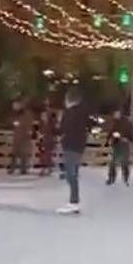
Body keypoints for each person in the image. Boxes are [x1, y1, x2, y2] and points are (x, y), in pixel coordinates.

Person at [57, 87, 91, 215]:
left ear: (69, 100)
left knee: (71, 174)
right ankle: (74, 201)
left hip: (70, 145)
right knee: (72, 173)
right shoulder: (83, 113)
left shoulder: (70, 113)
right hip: (78, 146)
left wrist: (60, 124)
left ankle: (74, 202)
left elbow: (64, 129)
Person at [105, 109, 133, 186]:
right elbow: (112, 131)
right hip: (116, 144)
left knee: (124, 162)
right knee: (113, 163)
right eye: (114, 114)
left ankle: (125, 178)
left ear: (120, 114)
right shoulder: (115, 122)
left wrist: (125, 138)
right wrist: (108, 139)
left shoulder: (127, 123)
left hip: (124, 145)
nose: (115, 115)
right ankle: (111, 178)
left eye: (116, 114)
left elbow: (131, 135)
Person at [8, 101, 34, 176]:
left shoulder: (26, 113)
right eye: (13, 106)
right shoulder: (14, 114)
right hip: (17, 136)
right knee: (14, 153)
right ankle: (12, 168)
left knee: (23, 153)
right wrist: (14, 122)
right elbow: (10, 121)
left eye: (15, 106)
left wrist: (28, 131)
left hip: (24, 136)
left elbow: (29, 123)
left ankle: (23, 169)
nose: (14, 107)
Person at [38, 110, 57, 176]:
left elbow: (54, 131)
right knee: (43, 156)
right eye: (42, 116)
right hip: (43, 141)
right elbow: (40, 132)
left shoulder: (51, 124)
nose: (42, 117)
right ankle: (46, 168)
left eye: (43, 116)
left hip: (49, 141)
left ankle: (47, 169)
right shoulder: (42, 124)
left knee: (47, 155)